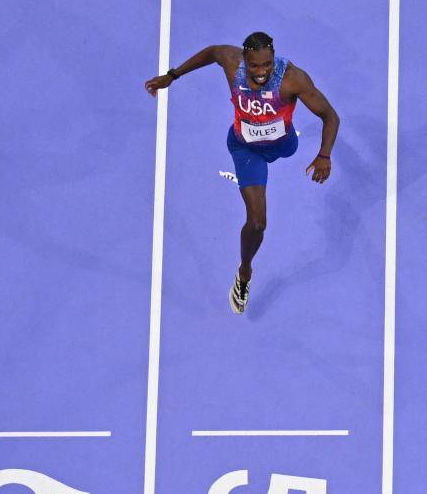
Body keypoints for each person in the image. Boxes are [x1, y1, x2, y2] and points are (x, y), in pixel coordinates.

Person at [145, 32, 340, 313]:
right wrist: (172, 76)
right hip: (246, 150)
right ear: (244, 60)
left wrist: (324, 154)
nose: (261, 72)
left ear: (273, 59)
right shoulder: (231, 62)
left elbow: (330, 115)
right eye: (255, 66)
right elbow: (212, 51)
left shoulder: (292, 78)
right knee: (257, 222)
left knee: (288, 150)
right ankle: (244, 272)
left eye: (267, 65)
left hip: (284, 144)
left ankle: (275, 153)